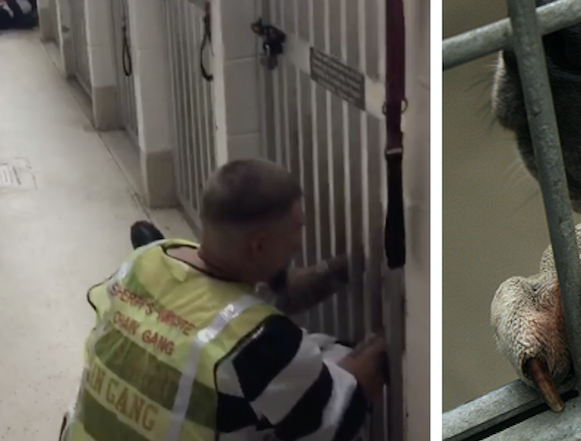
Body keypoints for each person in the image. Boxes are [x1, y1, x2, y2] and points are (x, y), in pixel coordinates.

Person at [60, 159, 387, 441]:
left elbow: (236, 299)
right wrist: (399, 336)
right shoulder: (262, 344)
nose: (299, 243)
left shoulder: (146, 261)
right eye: (296, 229)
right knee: (330, 356)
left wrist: (342, 268)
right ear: (258, 247)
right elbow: (345, 410)